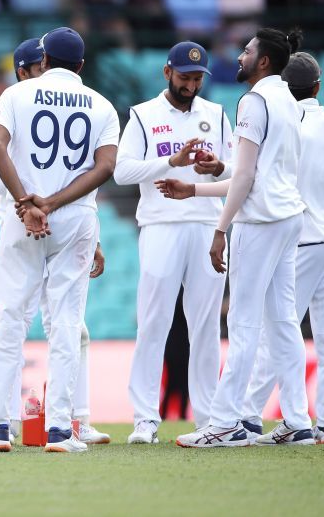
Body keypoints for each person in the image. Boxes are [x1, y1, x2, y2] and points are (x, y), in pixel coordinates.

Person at [156, 28, 313, 447]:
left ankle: (224, 423)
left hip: (259, 224)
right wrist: (207, 178)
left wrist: (220, 229)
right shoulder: (287, 99)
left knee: (244, 326)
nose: (240, 57)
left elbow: (246, 177)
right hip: (288, 217)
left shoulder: (253, 101)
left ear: (263, 61)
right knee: (283, 324)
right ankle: (298, 421)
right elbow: (250, 173)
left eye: (246, 51)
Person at [0, 27, 119, 453]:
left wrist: (27, 201)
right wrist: (52, 203)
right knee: (67, 321)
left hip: (22, 216)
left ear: (45, 59)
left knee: (10, 317)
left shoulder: (16, 96)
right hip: (74, 218)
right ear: (82, 66)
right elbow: (106, 167)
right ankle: (58, 430)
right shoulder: (103, 105)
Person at [241, 52, 324, 444]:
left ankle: (248, 416)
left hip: (299, 242)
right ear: (318, 87)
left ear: (284, 86)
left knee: (279, 331)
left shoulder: (283, 123)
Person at [114, 41, 232, 444]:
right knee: (153, 323)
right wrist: (172, 162)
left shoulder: (216, 115)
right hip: (161, 225)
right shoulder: (143, 115)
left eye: (198, 77)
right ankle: (145, 419)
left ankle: (209, 419)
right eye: (184, 76)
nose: (191, 84)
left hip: (206, 223)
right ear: (167, 72)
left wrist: (218, 167)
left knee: (205, 326)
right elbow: (122, 171)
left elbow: (237, 172)